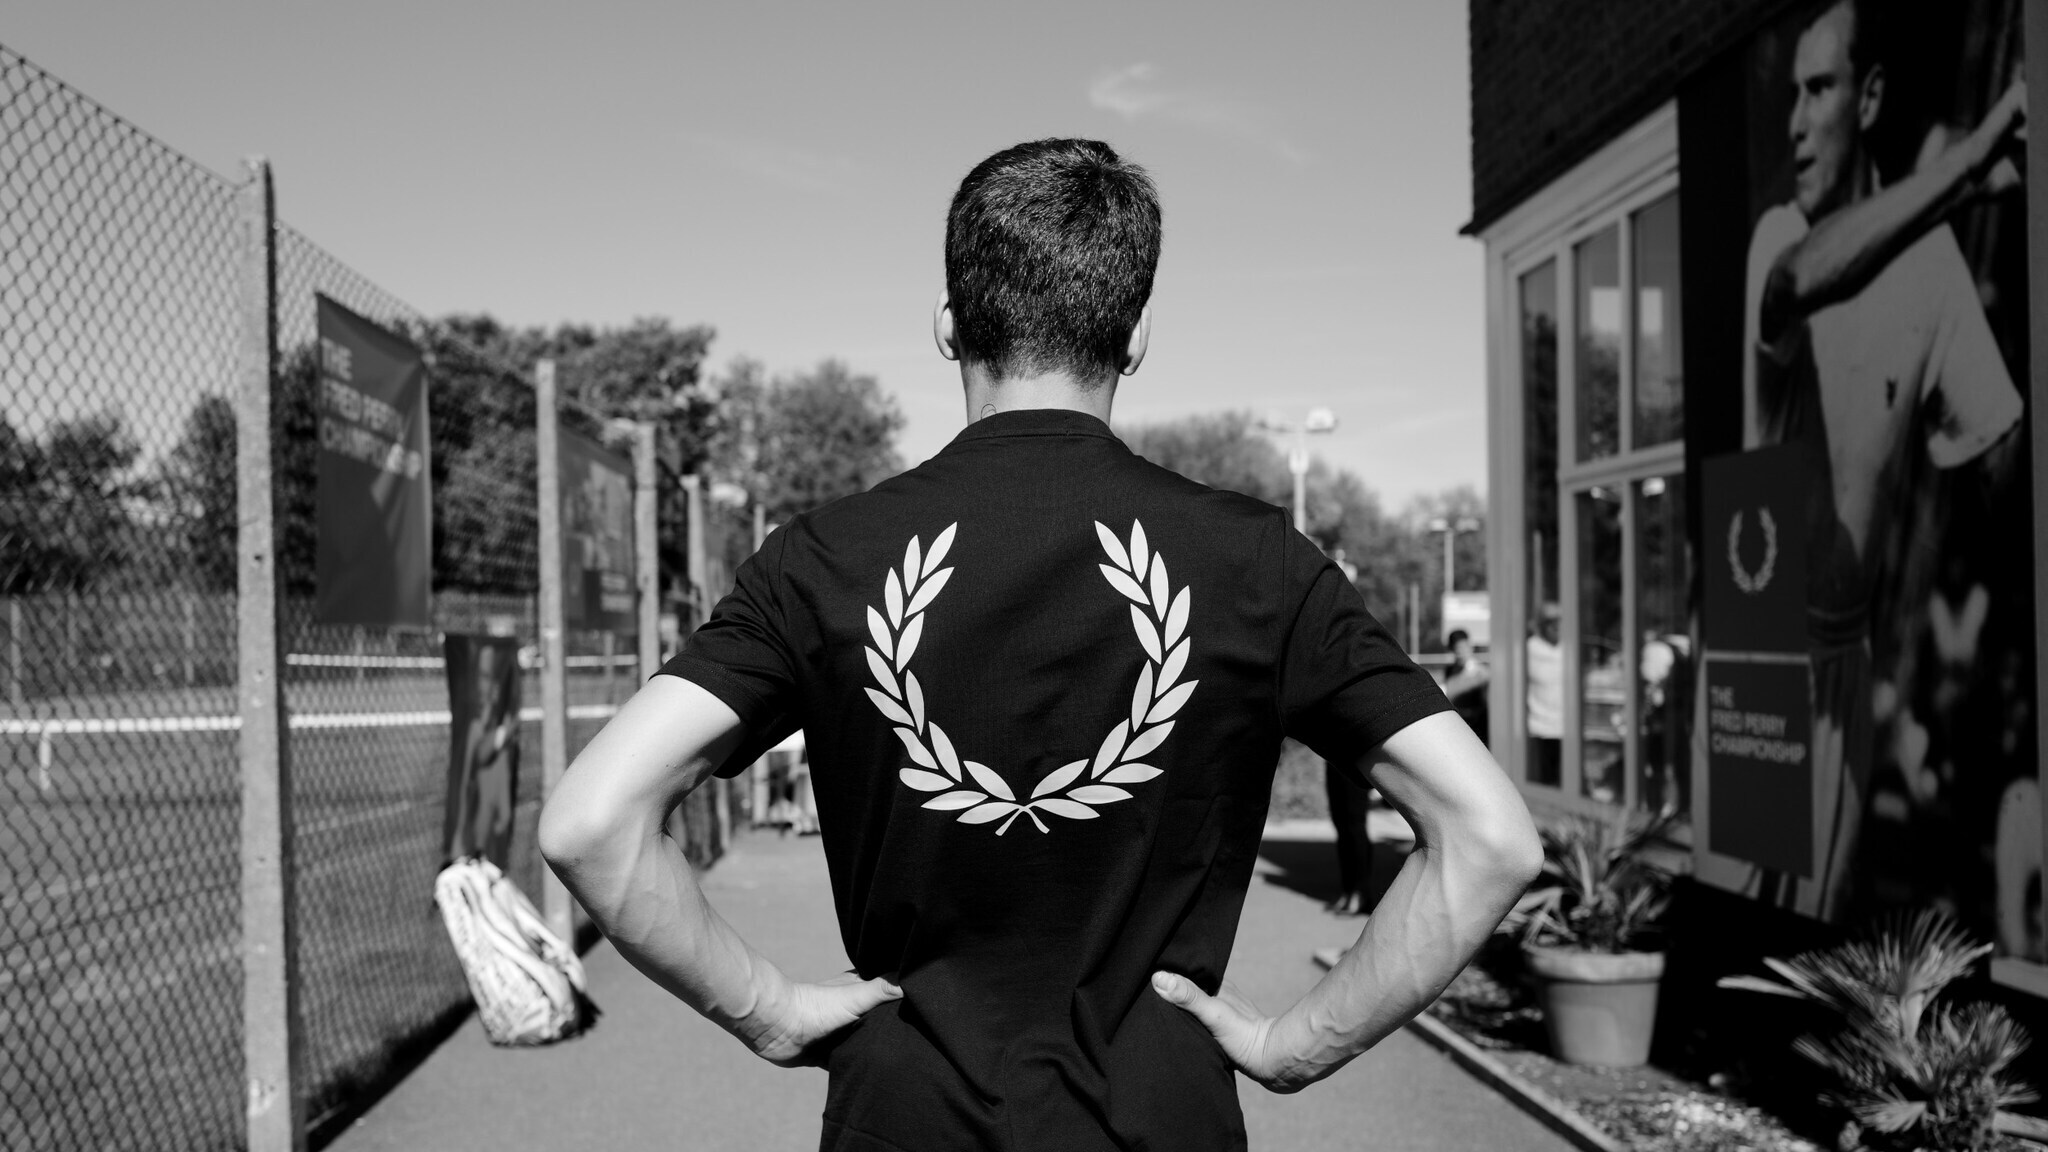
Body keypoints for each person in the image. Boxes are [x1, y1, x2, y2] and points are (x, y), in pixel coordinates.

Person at [539, 138, 1541, 1152]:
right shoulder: (1256, 563)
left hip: (905, 1114)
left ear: (946, 324)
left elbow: (591, 821)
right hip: (1159, 1111)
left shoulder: (821, 561)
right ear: (1135, 335)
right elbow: (1487, 839)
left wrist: (768, 1009)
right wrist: (1297, 1047)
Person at [1739, 0, 2026, 918]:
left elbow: (2005, 476)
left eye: (1817, 90)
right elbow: (1804, 284)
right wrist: (1967, 165)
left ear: (1866, 99)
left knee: (1818, 934)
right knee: (1758, 930)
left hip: (1846, 668)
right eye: (1791, 94)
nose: (1794, 124)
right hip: (1762, 655)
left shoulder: (1935, 262)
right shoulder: (1782, 234)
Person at [1443, 628, 1490, 745]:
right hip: (1457, 727)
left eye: (1463, 647)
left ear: (1470, 646)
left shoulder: (1482, 673)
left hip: (1477, 730)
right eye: (1456, 649)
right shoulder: (1450, 671)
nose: (1460, 652)